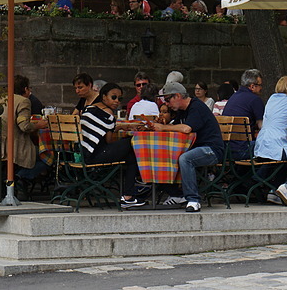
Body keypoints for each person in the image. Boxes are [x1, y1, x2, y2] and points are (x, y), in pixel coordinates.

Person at [149, 82, 225, 213]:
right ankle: (176, 194)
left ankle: (193, 200)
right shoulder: (181, 111)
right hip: (197, 148)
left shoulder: (196, 107)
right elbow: (174, 126)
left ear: (177, 96)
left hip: (211, 150)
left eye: (168, 100)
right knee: (164, 156)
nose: (166, 103)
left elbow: (186, 128)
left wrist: (163, 127)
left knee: (186, 159)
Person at [79, 82, 144, 208]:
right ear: (103, 97)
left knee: (131, 156)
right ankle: (130, 194)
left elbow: (101, 129)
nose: (117, 101)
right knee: (132, 143)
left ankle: (128, 196)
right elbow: (109, 141)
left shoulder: (90, 108)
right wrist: (124, 134)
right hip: (96, 156)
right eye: (113, 97)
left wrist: (118, 127)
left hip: (84, 154)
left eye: (119, 99)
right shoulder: (108, 113)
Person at [253, 76, 287, 207]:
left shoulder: (271, 99)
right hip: (277, 146)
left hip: (262, 145)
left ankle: (273, 190)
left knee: (282, 164)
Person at [0, 75, 49, 181]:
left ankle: (18, 177)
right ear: (25, 89)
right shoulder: (23, 101)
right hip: (16, 148)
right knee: (48, 155)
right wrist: (39, 125)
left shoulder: (0, 100)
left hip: (0, 148)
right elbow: (24, 126)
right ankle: (21, 177)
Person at [222, 69, 265, 158]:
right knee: (273, 146)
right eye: (260, 85)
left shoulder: (233, 97)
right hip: (244, 149)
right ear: (252, 86)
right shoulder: (255, 99)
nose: (261, 88)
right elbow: (263, 127)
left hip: (226, 150)